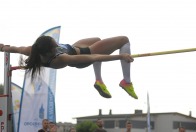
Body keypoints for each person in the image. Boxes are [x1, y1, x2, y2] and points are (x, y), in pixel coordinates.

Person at [0, 35, 138, 99]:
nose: (57, 46)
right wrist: (120, 56)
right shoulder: (60, 59)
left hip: (75, 47)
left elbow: (15, 48)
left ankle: (99, 81)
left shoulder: (34, 50)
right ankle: (127, 81)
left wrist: (2, 48)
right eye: (55, 46)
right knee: (123, 40)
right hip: (84, 55)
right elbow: (93, 57)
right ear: (49, 52)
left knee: (98, 40)